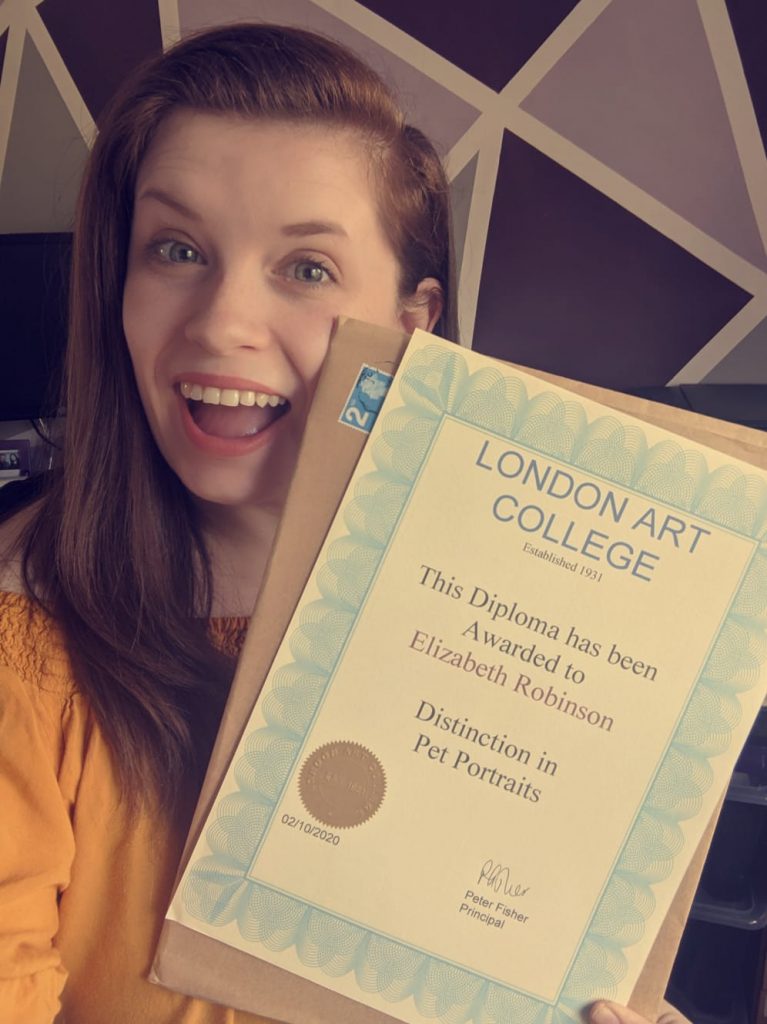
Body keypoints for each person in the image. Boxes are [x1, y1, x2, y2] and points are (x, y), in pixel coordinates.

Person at [0, 22, 691, 1024]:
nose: (221, 323)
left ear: (412, 321)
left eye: (307, 268)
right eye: (177, 250)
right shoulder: (25, 645)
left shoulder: (525, 636)